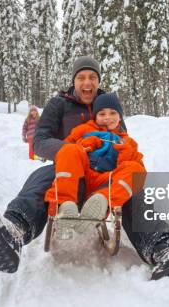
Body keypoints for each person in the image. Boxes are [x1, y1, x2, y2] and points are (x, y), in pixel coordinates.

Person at [0, 56, 169, 280]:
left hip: (106, 181)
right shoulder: (59, 104)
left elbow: (123, 142)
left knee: (133, 185)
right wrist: (72, 152)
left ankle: (164, 251)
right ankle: (14, 232)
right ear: (74, 80)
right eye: (82, 77)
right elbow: (40, 141)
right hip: (69, 175)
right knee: (41, 177)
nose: (87, 82)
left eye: (92, 77)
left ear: (99, 80)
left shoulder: (109, 106)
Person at [45, 92, 145, 234]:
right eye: (102, 114)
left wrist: (125, 153)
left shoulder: (128, 142)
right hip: (81, 178)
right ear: (95, 116)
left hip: (106, 182)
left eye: (113, 113)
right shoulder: (84, 130)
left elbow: (140, 172)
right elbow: (64, 149)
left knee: (136, 169)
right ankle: (64, 205)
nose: (107, 118)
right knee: (69, 150)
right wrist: (83, 145)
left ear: (120, 117)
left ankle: (101, 203)